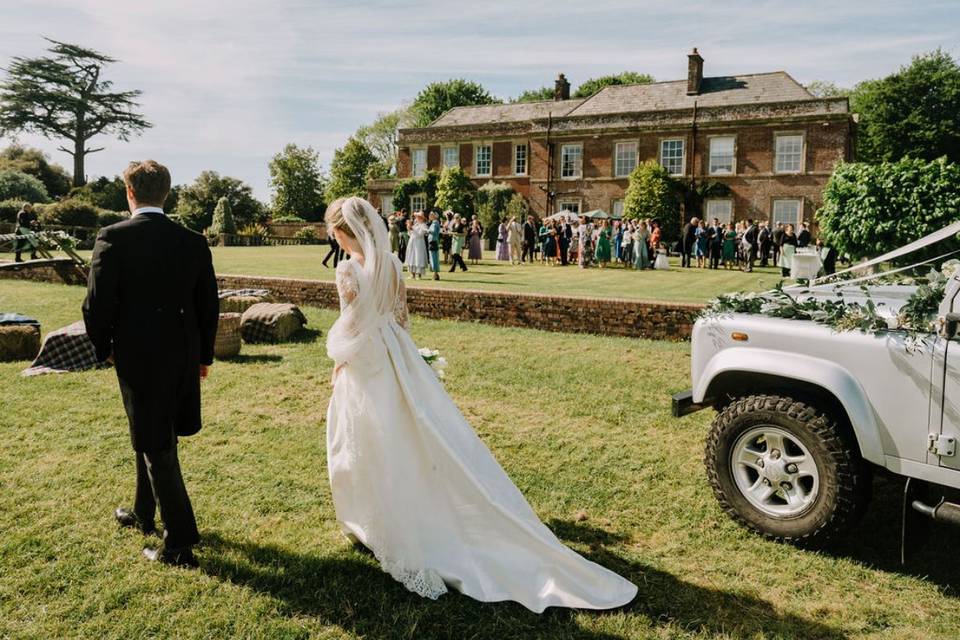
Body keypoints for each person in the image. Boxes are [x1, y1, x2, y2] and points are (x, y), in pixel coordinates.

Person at [324, 196, 637, 611]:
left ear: (344, 233)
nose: (338, 242)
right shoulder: (394, 263)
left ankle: (378, 519)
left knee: (368, 438)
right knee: (413, 435)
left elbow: (351, 323)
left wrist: (339, 359)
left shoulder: (348, 269)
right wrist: (407, 358)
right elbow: (401, 319)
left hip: (366, 361)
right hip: (396, 355)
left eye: (336, 235)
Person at [82, 160, 218, 568]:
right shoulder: (193, 241)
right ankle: (144, 512)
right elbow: (208, 304)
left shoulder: (112, 237)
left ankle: (179, 544)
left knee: (156, 443)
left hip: (138, 356)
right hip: (181, 354)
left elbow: (95, 304)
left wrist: (102, 346)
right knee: (148, 432)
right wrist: (204, 356)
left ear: (129, 193)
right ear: (167, 194)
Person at [405, 213, 428, 279]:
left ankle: (419, 275)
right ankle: (412, 274)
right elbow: (410, 234)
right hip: (412, 242)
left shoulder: (423, 225)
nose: (416, 218)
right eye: (416, 217)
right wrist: (409, 229)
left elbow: (420, 234)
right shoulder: (415, 224)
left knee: (418, 257)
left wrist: (412, 229)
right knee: (412, 257)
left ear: (421, 218)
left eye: (418, 217)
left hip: (419, 243)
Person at [428, 211, 441, 280]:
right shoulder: (434, 223)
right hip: (433, 241)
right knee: (433, 257)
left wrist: (427, 230)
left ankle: (435, 274)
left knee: (434, 258)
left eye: (431, 215)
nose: (430, 216)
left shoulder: (435, 223)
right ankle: (435, 274)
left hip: (433, 241)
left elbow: (433, 232)